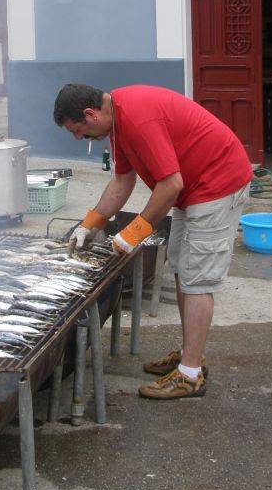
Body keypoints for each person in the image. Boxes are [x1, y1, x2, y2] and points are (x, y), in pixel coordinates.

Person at [53, 83, 252, 399]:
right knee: (183, 270)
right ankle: (191, 355)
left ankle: (189, 375)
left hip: (217, 184)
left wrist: (134, 233)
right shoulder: (117, 120)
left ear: (90, 114)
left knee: (197, 279)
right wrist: (89, 225)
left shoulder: (137, 118)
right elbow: (122, 181)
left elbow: (170, 184)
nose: (79, 138)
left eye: (78, 130)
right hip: (195, 189)